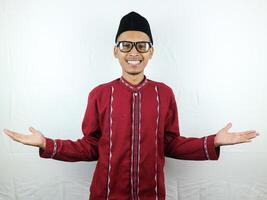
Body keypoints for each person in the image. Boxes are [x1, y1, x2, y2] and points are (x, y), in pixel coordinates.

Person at [3, 11, 258, 200]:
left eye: (141, 45)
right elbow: (90, 147)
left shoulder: (164, 94)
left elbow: (170, 143)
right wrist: (47, 144)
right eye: (125, 45)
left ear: (151, 52)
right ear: (116, 51)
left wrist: (213, 141)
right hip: (105, 195)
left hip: (152, 195)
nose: (133, 52)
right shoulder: (100, 94)